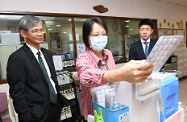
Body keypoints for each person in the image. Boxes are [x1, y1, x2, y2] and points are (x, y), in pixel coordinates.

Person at [76, 17, 154, 121]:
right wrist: (119, 75)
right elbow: (85, 77)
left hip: (112, 107)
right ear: (87, 38)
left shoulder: (108, 53)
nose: (100, 38)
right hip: (94, 112)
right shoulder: (83, 58)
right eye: (96, 35)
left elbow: (115, 84)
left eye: (103, 34)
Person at [6, 15, 68, 122]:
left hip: (54, 107)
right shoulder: (17, 58)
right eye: (34, 31)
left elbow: (51, 79)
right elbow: (17, 93)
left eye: (41, 30)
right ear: (23, 33)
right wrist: (26, 117)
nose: (40, 34)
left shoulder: (47, 53)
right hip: (35, 114)